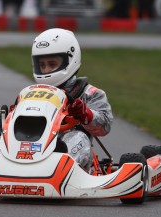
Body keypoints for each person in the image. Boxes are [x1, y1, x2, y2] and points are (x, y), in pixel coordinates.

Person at [31, 28, 114, 172]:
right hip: (36, 142)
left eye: (52, 64)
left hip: (70, 149)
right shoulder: (34, 93)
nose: (45, 70)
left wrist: (85, 114)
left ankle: (56, 167)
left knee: (78, 137)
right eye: (42, 65)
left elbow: (105, 126)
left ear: (69, 59)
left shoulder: (89, 93)